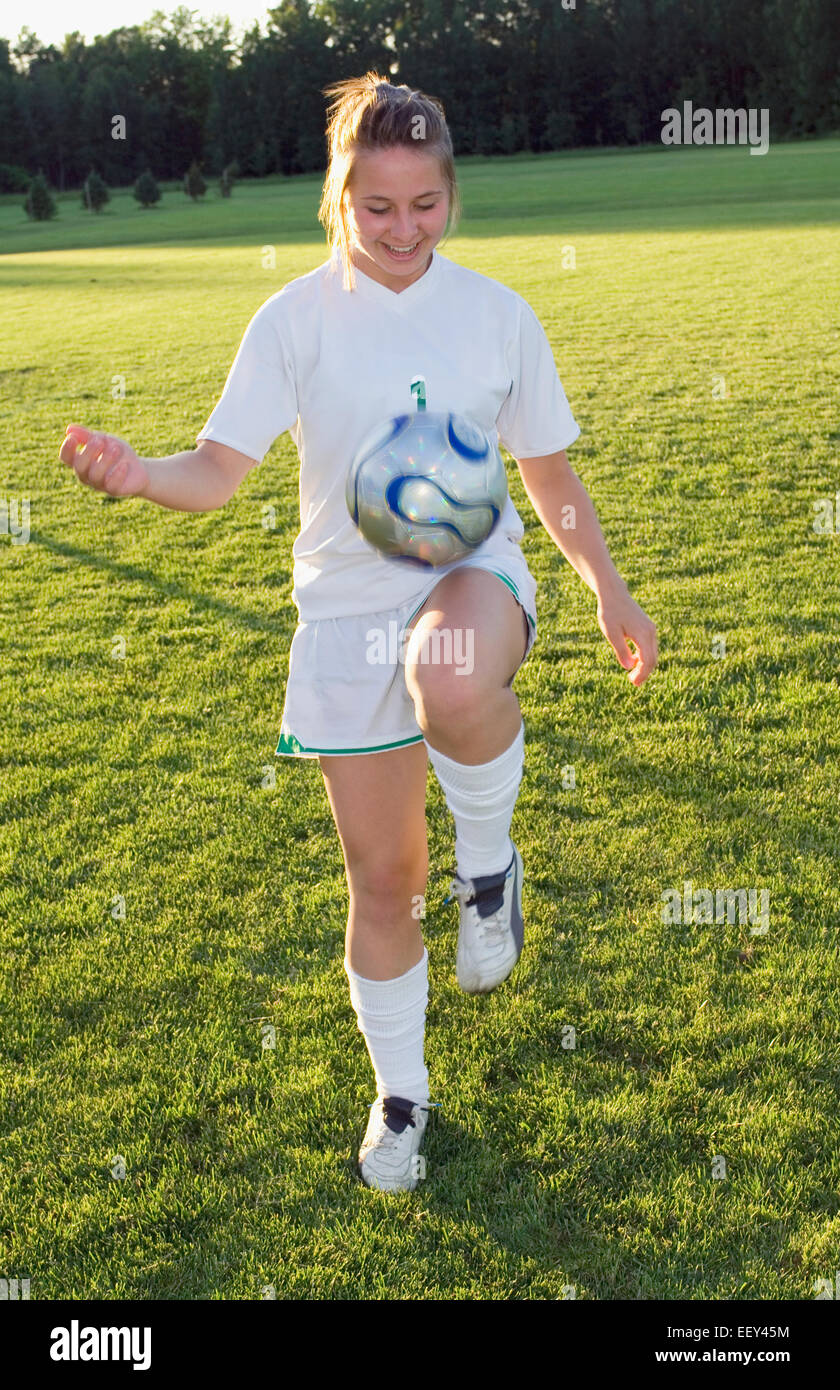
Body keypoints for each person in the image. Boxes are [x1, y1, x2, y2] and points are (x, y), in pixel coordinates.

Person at [59, 72, 658, 1195]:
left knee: (450, 668)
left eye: (423, 203)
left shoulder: (497, 314)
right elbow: (218, 468)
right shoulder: (291, 320)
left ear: (450, 195)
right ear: (339, 198)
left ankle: (492, 872)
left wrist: (605, 589)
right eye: (376, 207)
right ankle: (401, 1094)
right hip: (342, 619)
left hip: (470, 576)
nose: (402, 228)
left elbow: (546, 468)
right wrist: (140, 477)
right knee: (383, 882)